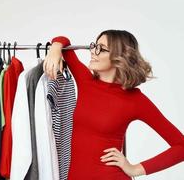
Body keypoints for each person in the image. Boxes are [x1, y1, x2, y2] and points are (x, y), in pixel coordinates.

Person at [43, 30, 184, 179]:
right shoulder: (85, 81)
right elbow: (64, 42)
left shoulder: (135, 100)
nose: (93, 52)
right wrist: (55, 48)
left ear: (119, 57)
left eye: (101, 49)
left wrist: (135, 169)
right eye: (94, 46)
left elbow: (181, 147)